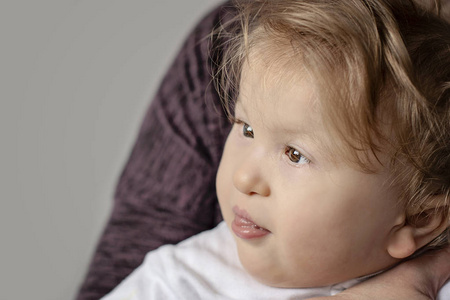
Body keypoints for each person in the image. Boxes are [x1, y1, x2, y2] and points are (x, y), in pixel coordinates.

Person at [94, 0, 450, 299]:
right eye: (246, 129)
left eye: (295, 154)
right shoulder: (178, 284)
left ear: (418, 219)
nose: (243, 175)